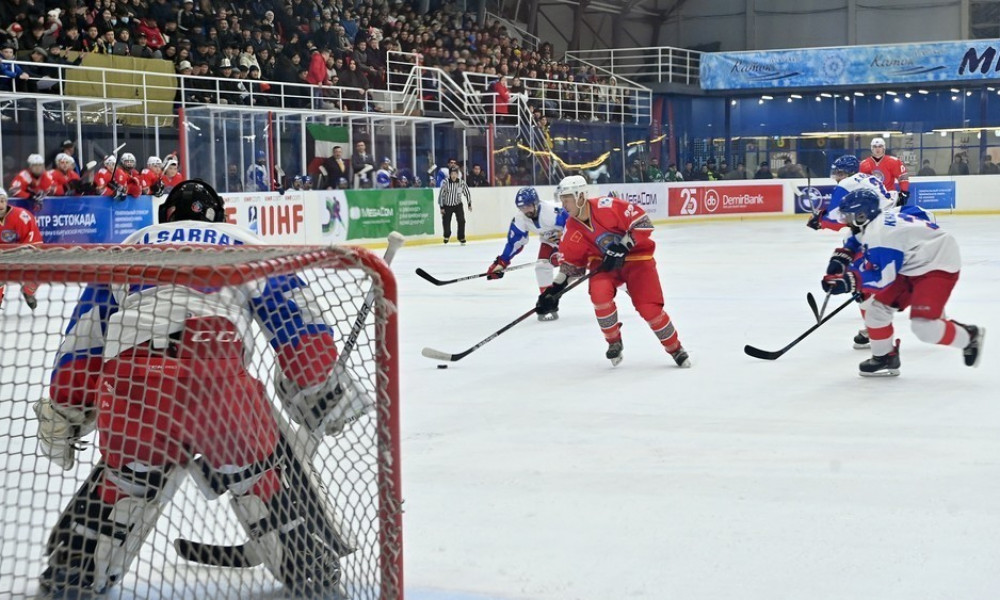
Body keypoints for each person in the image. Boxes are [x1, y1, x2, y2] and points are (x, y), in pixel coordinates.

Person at [33, 180, 368, 595]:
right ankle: (302, 561)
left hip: (133, 392)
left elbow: (82, 349)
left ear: (166, 217)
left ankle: (76, 569)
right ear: (220, 216)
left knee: (128, 479)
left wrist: (65, 411)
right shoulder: (246, 245)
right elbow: (303, 333)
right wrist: (321, 392)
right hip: (220, 388)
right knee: (258, 474)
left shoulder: (127, 250)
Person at [820, 188, 984, 376]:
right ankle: (885, 357)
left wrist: (849, 281)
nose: (846, 221)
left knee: (924, 327)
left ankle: (969, 337)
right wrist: (841, 259)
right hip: (913, 262)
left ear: (862, 215)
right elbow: (855, 240)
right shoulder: (875, 222)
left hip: (937, 264)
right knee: (876, 311)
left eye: (849, 216)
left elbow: (883, 279)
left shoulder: (882, 235)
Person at [536, 175, 690, 368]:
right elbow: (572, 266)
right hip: (604, 265)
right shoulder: (571, 228)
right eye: (562, 199)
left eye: (567, 198)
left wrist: (623, 247)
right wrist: (553, 291)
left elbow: (643, 223)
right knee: (599, 295)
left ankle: (675, 348)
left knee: (649, 308)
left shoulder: (607, 206)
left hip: (637, 260)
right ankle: (613, 341)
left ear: (580, 196)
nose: (563, 204)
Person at [486, 187, 568, 320]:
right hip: (550, 243)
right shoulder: (521, 218)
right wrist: (502, 263)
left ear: (536, 202)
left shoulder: (552, 212)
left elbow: (576, 224)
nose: (526, 210)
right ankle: (548, 301)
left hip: (572, 241)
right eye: (522, 207)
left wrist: (564, 237)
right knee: (542, 267)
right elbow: (514, 243)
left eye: (528, 206)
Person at [0, 187, 42, 310]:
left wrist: (23, 254)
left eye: (2, 200)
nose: (0, 204)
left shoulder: (22, 216)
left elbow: (34, 241)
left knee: (40, 266)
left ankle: (28, 291)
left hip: (21, 253)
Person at [860, 137, 909, 205]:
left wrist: (904, 192)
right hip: (871, 198)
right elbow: (860, 183)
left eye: (880, 146)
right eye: (875, 147)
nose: (877, 149)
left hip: (889, 196)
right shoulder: (864, 164)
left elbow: (903, 178)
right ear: (871, 148)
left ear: (884, 148)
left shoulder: (894, 161)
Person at [439, 166, 471, 245]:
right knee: (446, 221)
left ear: (457, 174)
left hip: (458, 205)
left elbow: (467, 192)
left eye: (455, 174)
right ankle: (447, 235)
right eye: (452, 174)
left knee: (461, 220)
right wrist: (442, 207)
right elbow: (441, 195)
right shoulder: (445, 182)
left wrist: (469, 203)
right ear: (449, 174)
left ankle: (461, 237)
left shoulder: (461, 182)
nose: (454, 175)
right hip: (447, 205)